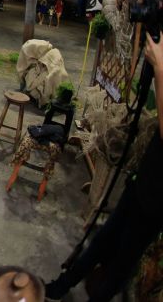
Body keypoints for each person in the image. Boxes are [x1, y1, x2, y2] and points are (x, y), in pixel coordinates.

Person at [45, 31, 163, 300]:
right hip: (145, 178)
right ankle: (62, 286)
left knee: (123, 261)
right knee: (103, 239)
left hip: (157, 198)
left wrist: (160, 68)